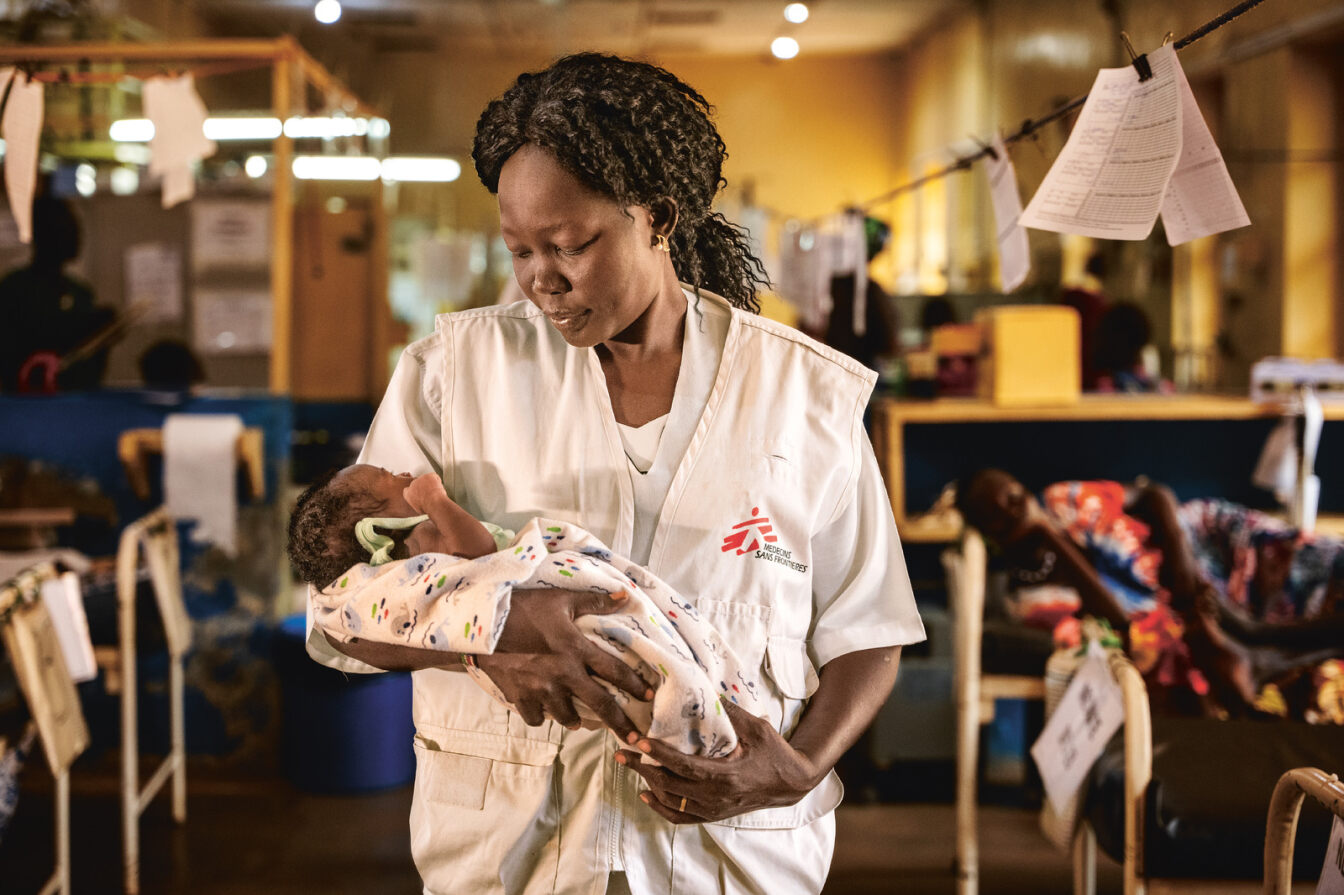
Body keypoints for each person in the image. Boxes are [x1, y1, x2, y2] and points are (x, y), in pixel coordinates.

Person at [303, 53, 924, 895]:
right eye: (519, 249)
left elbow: (870, 628)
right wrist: (490, 642)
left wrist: (800, 766)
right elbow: (342, 607)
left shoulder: (802, 395)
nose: (540, 281)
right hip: (513, 850)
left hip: (729, 859)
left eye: (570, 245)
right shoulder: (454, 373)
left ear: (658, 217)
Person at [288, 464, 766, 758]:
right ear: (376, 529)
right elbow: (479, 560)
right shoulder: (418, 546)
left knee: (647, 654)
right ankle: (701, 720)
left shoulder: (402, 561)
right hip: (557, 617)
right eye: (390, 480)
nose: (404, 474)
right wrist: (435, 501)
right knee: (638, 653)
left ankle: (699, 715)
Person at [956, 468, 1344, 722]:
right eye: (998, 513)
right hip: (1191, 621)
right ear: (990, 536)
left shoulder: (1063, 499)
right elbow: (1120, 623)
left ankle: (1260, 634)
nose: (1016, 507)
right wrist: (1050, 540)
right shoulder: (1033, 597)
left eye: (1013, 493)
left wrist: (1179, 556)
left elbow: (1154, 495)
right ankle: (1264, 637)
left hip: (1200, 544)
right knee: (1229, 653)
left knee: (1317, 568)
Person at [0, 194, 117, 392]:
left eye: (76, 228)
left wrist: (103, 335)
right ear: (41, 235)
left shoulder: (81, 292)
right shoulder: (14, 289)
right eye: (66, 227)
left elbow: (88, 368)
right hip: (26, 404)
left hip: (79, 401)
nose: (77, 236)